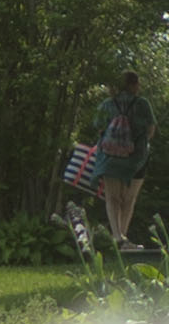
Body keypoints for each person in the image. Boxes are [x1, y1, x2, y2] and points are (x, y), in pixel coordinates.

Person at [65, 68, 154, 255]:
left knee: (112, 199)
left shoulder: (107, 104)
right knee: (129, 199)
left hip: (110, 159)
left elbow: (98, 127)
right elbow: (150, 129)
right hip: (137, 160)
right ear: (134, 85)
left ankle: (117, 237)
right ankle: (124, 238)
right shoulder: (142, 104)